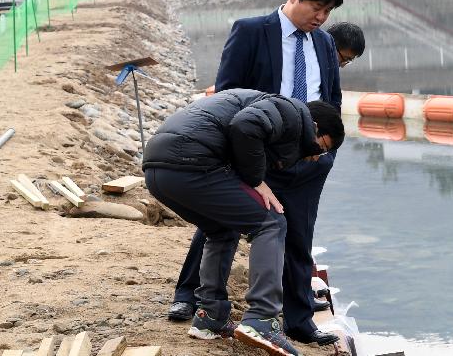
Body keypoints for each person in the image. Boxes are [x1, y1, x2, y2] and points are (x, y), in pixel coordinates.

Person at [168, 0, 344, 347]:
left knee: (299, 235)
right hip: (256, 152)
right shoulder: (252, 31)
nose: (321, 17)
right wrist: (242, 160)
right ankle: (190, 297)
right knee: (219, 225)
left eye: (328, 11)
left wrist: (321, 152)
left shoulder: (324, 43)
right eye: (316, 6)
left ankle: (298, 321)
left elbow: (331, 98)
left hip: (307, 159)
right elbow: (230, 94)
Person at [143, 89, 345, 356]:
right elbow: (245, 125)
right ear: (315, 126)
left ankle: (210, 317)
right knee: (272, 222)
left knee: (221, 229)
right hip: (191, 163)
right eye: (322, 147)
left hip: (159, 170)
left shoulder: (269, 107)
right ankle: (262, 318)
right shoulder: (291, 113)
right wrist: (255, 180)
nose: (317, 157)